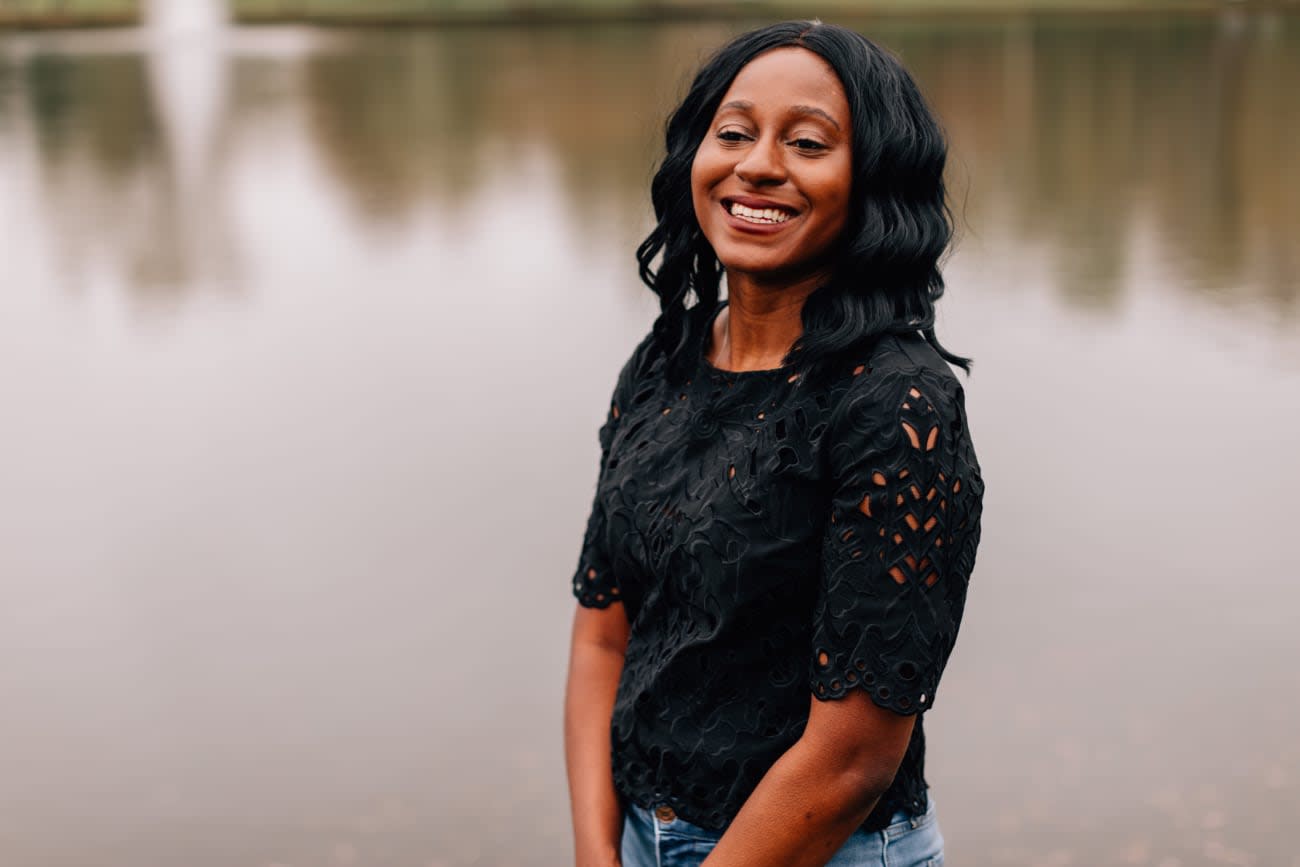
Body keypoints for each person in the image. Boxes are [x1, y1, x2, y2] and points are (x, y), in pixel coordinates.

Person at [563, 20, 984, 867]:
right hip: (644, 835)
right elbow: (604, 636)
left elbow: (854, 757)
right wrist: (595, 851)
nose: (757, 164)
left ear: (872, 183)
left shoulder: (896, 405)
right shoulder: (665, 363)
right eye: (733, 133)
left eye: (806, 142)